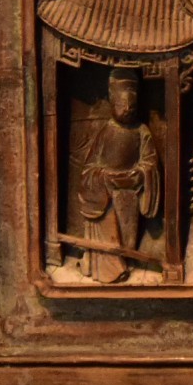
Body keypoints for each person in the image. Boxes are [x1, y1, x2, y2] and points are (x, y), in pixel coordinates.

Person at [67, 70, 160, 283]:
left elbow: (150, 161)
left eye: (131, 107)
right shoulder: (106, 131)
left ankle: (126, 262)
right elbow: (89, 167)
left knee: (127, 238)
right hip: (105, 193)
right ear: (112, 103)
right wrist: (102, 177)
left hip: (129, 193)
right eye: (122, 105)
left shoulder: (141, 131)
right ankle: (110, 268)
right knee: (108, 229)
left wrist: (140, 173)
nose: (127, 110)